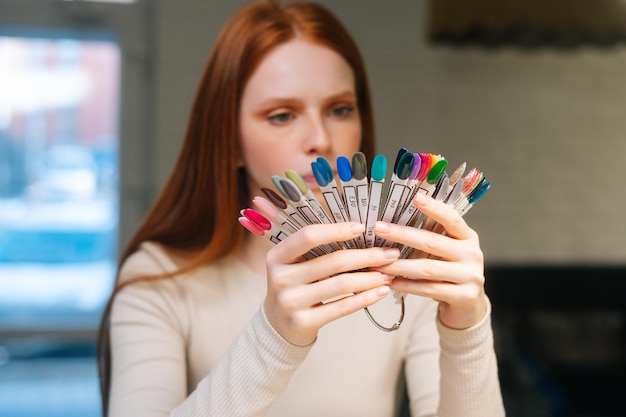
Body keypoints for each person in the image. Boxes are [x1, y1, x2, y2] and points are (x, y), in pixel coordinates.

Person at [97, 1, 505, 416]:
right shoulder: (159, 278)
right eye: (281, 115)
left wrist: (467, 328)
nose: (320, 139)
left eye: (340, 110)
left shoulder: (406, 269)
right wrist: (274, 336)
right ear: (230, 140)